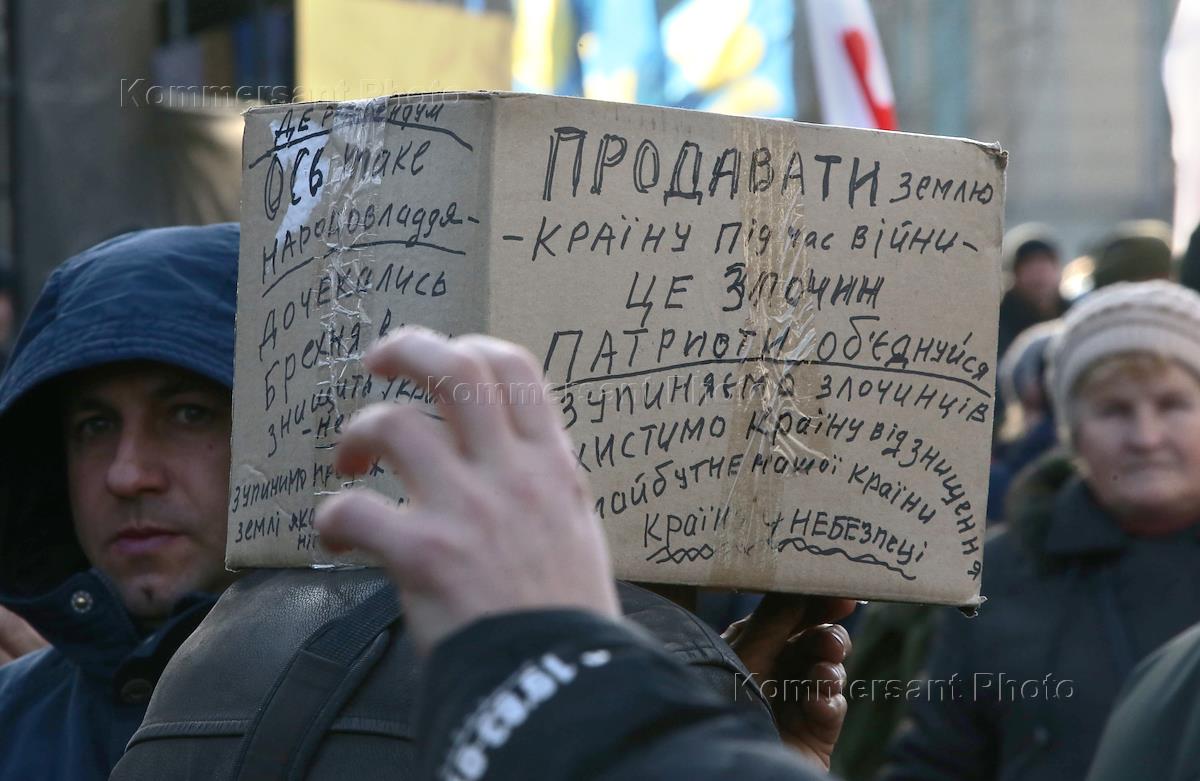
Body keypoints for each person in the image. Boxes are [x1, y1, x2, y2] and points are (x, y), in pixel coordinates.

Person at [111, 330, 854, 778]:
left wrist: (721, 744)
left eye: (188, 413)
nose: (128, 474)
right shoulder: (631, 661)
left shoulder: (212, 647)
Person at [882, 280, 1200, 781]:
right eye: (1114, 410)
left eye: (1172, 404)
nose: (1145, 437)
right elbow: (936, 762)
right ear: (1073, 432)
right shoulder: (999, 576)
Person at [0, 223, 241, 780]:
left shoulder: (404, 708)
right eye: (95, 425)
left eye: (188, 413)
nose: (127, 475)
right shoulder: (12, 725)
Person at [997, 228, 1068, 362]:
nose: (1039, 275)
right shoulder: (998, 322)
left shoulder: (1072, 314)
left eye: (1045, 265)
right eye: (1029, 266)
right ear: (1015, 274)